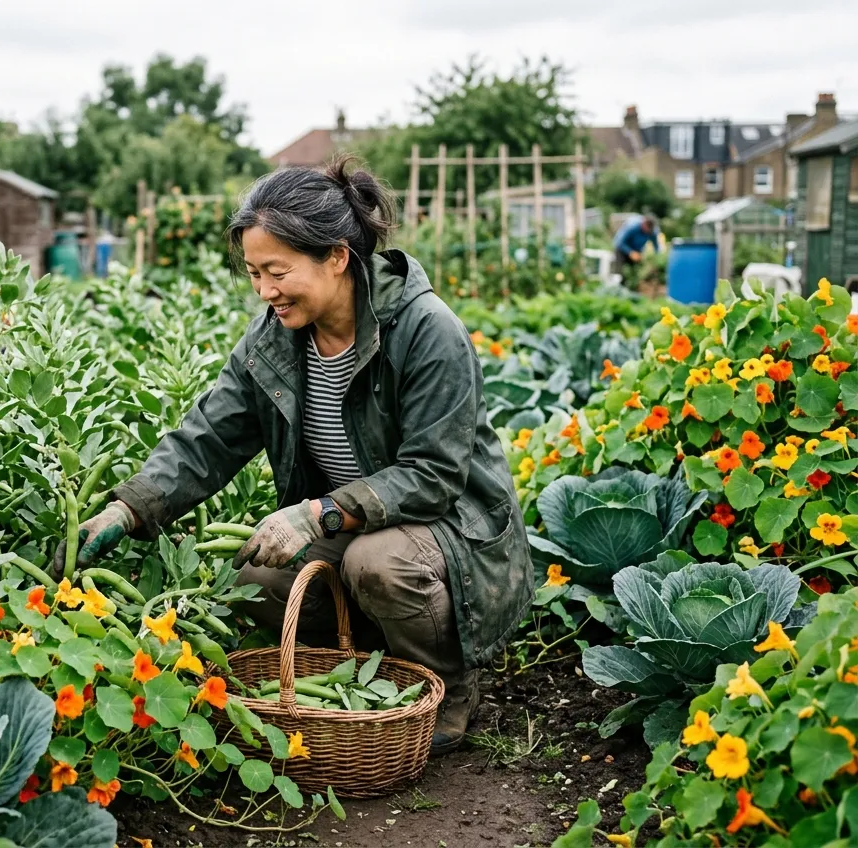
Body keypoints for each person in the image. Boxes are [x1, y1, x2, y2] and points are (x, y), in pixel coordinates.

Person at [55, 157, 532, 754]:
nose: (264, 291)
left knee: (378, 564)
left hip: (451, 528)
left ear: (336, 256)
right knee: (257, 577)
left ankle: (447, 685)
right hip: (356, 518)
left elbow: (433, 475)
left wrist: (314, 515)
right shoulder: (274, 338)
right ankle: (365, 661)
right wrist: (129, 508)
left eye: (277, 271)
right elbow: (210, 436)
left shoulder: (423, 329)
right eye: (254, 273)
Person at [612, 214, 661, 278]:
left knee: (635, 272)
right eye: (647, 228)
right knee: (620, 272)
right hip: (622, 249)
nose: (647, 232)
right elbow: (619, 242)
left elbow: (656, 247)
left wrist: (656, 260)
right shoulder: (632, 226)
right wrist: (630, 252)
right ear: (644, 223)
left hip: (637, 251)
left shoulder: (653, 231)